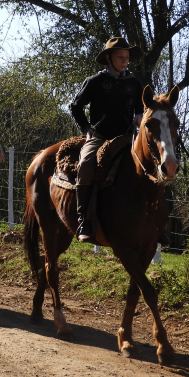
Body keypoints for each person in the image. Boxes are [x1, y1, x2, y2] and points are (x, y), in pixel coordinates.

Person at [69, 37, 144, 243]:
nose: (125, 60)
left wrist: (139, 115)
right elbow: (75, 106)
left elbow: (141, 107)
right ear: (108, 58)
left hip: (128, 139)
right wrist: (86, 128)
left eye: (127, 57)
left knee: (153, 164)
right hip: (100, 138)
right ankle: (84, 219)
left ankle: (156, 222)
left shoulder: (134, 83)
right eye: (120, 56)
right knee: (85, 164)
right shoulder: (95, 82)